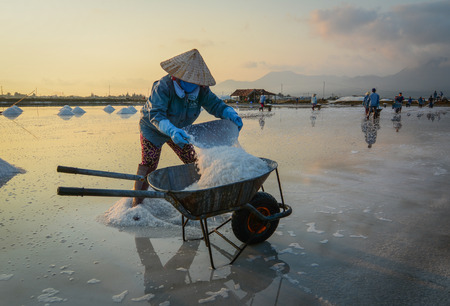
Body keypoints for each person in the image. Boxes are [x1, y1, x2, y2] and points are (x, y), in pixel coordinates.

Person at [133, 49, 243, 206]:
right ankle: (137, 205)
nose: (194, 84)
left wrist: (229, 113)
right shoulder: (163, 87)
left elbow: (215, 105)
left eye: (196, 81)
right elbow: (156, 115)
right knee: (149, 164)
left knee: (192, 161)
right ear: (177, 77)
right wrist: (171, 131)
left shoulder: (201, 90)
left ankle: (197, 196)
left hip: (181, 131)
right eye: (189, 80)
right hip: (153, 130)